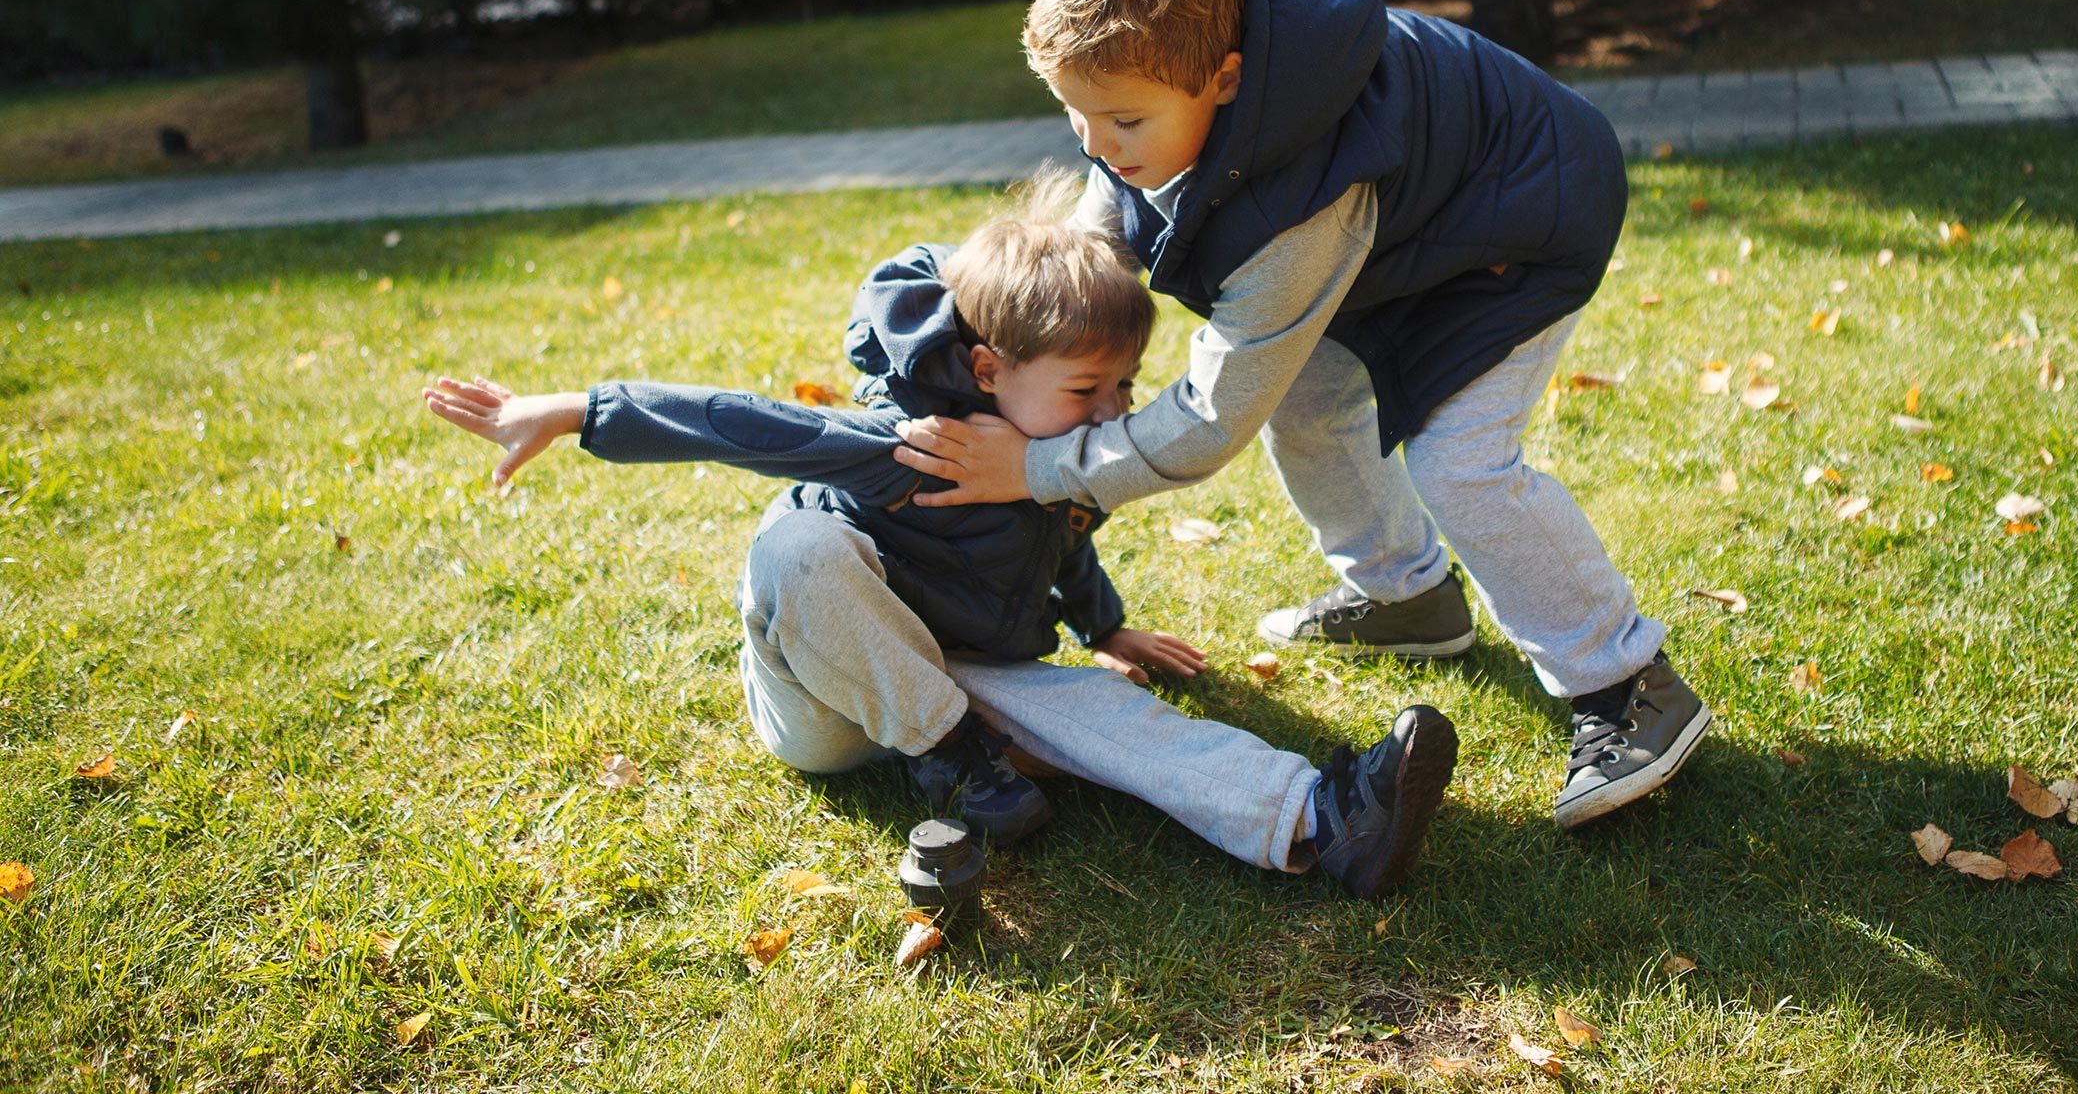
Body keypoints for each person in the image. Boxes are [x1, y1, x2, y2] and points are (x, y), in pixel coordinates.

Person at [889, 0, 1709, 830]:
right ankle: (1408, 596)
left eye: (1124, 118)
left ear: (1224, 82)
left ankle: (1628, 682)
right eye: (1076, 115)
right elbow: (1095, 243)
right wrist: (972, 320)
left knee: (1460, 465)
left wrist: (1038, 468)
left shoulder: (1301, 206)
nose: (1097, 145)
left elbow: (1208, 421)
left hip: (1517, 227)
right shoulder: (1177, 83)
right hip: (1404, 241)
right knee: (1310, 404)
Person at [419, 184, 1456, 897]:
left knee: (1104, 712)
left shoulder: (1062, 456)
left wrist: (1109, 626)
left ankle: (1323, 821)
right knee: (794, 549)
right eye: (1088, 389)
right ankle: (960, 757)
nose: (1112, 412)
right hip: (829, 699)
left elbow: (1058, 541)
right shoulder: (910, 442)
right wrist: (575, 409)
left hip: (953, 682)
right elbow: (738, 422)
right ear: (991, 370)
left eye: (1125, 388)